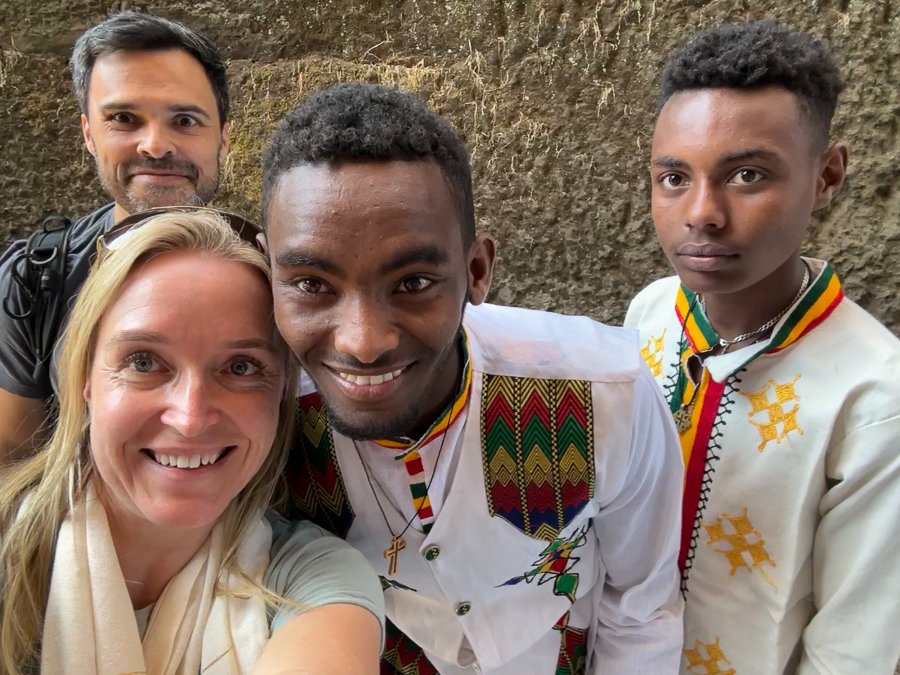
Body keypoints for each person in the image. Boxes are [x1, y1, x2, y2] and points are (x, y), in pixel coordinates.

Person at [261, 82, 684, 674]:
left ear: (476, 270)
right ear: (270, 273)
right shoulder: (261, 421)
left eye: (412, 282)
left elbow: (641, 609)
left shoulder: (603, 395)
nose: (363, 341)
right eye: (311, 285)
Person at [624, 21, 900, 674]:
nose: (702, 212)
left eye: (747, 175)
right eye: (673, 178)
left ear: (827, 175)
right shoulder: (653, 313)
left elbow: (854, 651)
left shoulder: (874, 397)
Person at [0, 208, 384, 674]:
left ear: (282, 395)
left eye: (241, 367)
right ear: (84, 380)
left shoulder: (315, 578)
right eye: (143, 362)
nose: (190, 418)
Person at [0, 11, 231, 459]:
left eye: (185, 120)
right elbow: (15, 463)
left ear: (224, 138)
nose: (155, 145)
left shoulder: (276, 276)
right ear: (89, 134)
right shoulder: (33, 282)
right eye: (124, 118)